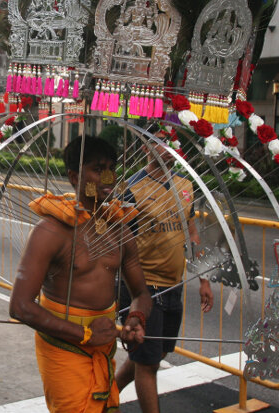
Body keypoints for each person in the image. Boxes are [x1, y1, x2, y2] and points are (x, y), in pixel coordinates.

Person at [9, 135, 151, 413]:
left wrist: (136, 317)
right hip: (64, 349)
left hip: (104, 346)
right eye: (98, 170)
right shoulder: (51, 231)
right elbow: (20, 306)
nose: (109, 177)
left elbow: (141, 292)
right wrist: (85, 335)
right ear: (75, 177)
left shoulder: (119, 228)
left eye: (112, 168)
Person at [114, 125, 213, 413]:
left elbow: (192, 232)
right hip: (142, 290)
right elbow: (119, 238)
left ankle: (105, 394)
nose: (165, 148)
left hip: (174, 285)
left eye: (169, 142)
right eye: (158, 143)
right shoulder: (131, 187)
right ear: (145, 148)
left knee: (153, 355)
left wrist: (203, 278)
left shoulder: (185, 185)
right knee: (148, 365)